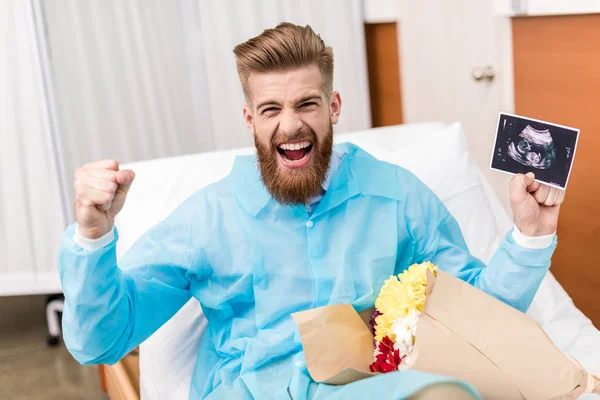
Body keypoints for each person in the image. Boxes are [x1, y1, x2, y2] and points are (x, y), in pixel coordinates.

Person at [59, 23, 564, 400]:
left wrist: (529, 238)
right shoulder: (208, 218)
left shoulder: (397, 198)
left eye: (307, 104)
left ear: (335, 107)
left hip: (364, 387)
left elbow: (477, 313)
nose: (290, 125)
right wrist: (92, 239)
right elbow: (102, 340)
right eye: (271, 110)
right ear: (249, 120)